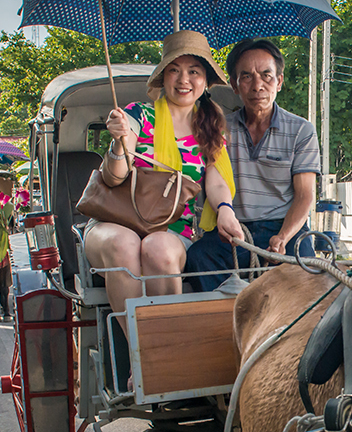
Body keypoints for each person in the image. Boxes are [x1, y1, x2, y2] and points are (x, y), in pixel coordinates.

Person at [82, 30, 244, 332]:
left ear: (205, 80)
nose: (184, 80)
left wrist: (224, 208)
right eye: (174, 70)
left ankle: (165, 347)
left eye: (193, 71)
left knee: (160, 250)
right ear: (163, 77)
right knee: (125, 244)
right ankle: (139, 357)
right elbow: (114, 175)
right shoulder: (136, 115)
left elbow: (217, 180)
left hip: (172, 228)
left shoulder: (210, 127)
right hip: (115, 223)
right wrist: (119, 141)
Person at [185, 37, 320, 291]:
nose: (258, 85)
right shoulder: (219, 128)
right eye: (246, 76)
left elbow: (305, 195)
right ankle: (226, 327)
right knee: (198, 258)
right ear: (235, 85)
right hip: (233, 229)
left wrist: (282, 237)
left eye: (266, 76)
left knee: (307, 280)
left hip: (283, 228)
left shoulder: (302, 130)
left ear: (279, 81)